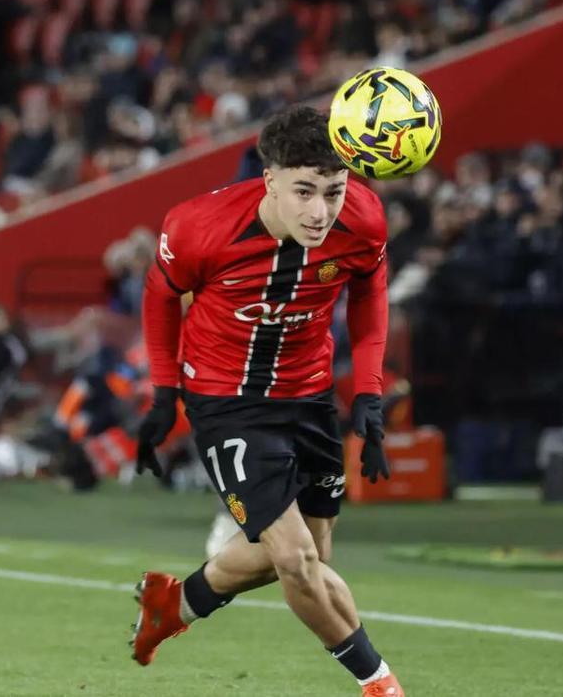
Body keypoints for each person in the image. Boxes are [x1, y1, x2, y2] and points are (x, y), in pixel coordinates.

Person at [130, 106, 404, 696]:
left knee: (310, 554)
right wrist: (163, 391)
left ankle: (173, 607)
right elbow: (159, 294)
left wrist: (369, 395)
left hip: (308, 395)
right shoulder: (199, 226)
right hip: (226, 400)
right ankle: (381, 685)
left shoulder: (364, 221)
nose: (319, 211)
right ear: (269, 178)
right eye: (303, 191)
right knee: (297, 560)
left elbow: (369, 292)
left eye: (333, 191)